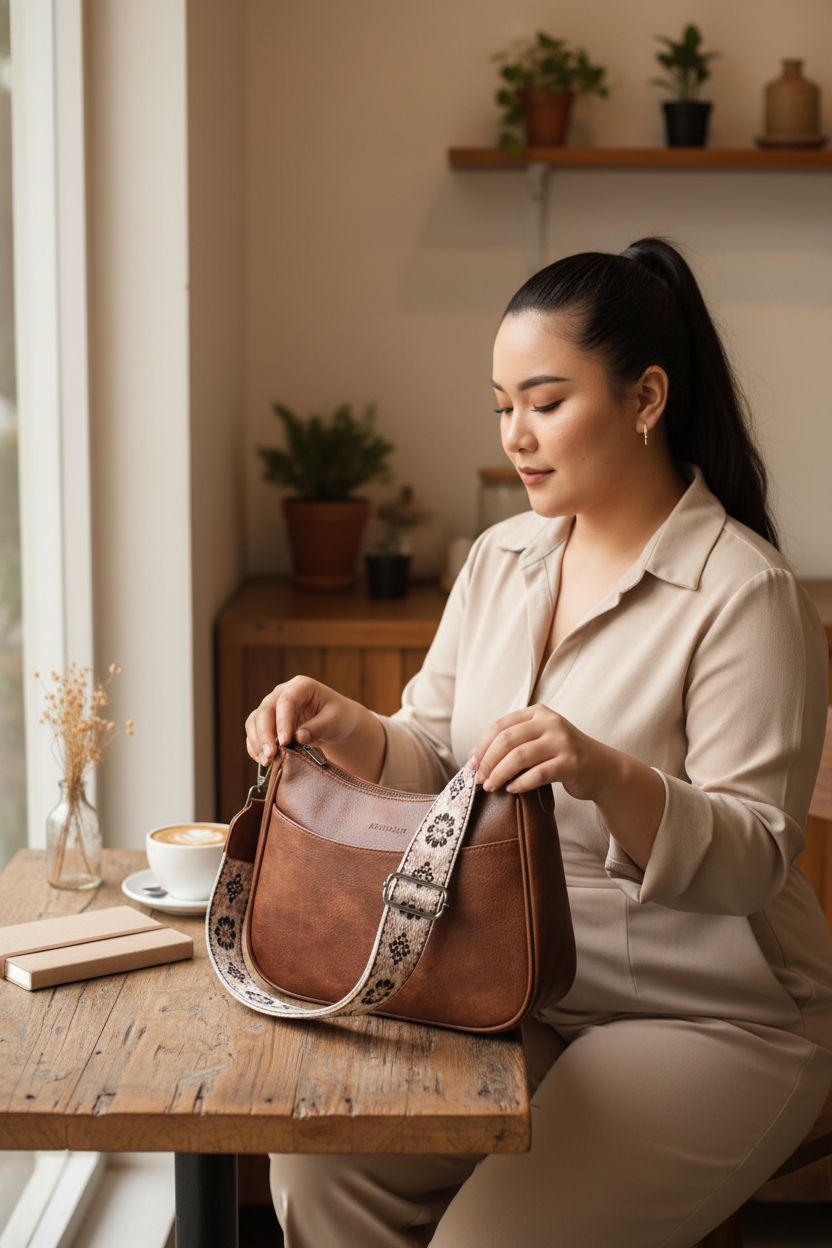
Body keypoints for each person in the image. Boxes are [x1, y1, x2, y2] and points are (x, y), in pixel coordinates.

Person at [245, 236, 832, 1247]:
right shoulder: (500, 557)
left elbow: (752, 859)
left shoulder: (746, 593)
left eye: (546, 401)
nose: (516, 434)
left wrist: (604, 771)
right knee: (322, 1161)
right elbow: (437, 748)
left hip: (709, 1014)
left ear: (645, 399)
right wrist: (354, 729)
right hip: (508, 977)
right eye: (501, 405)